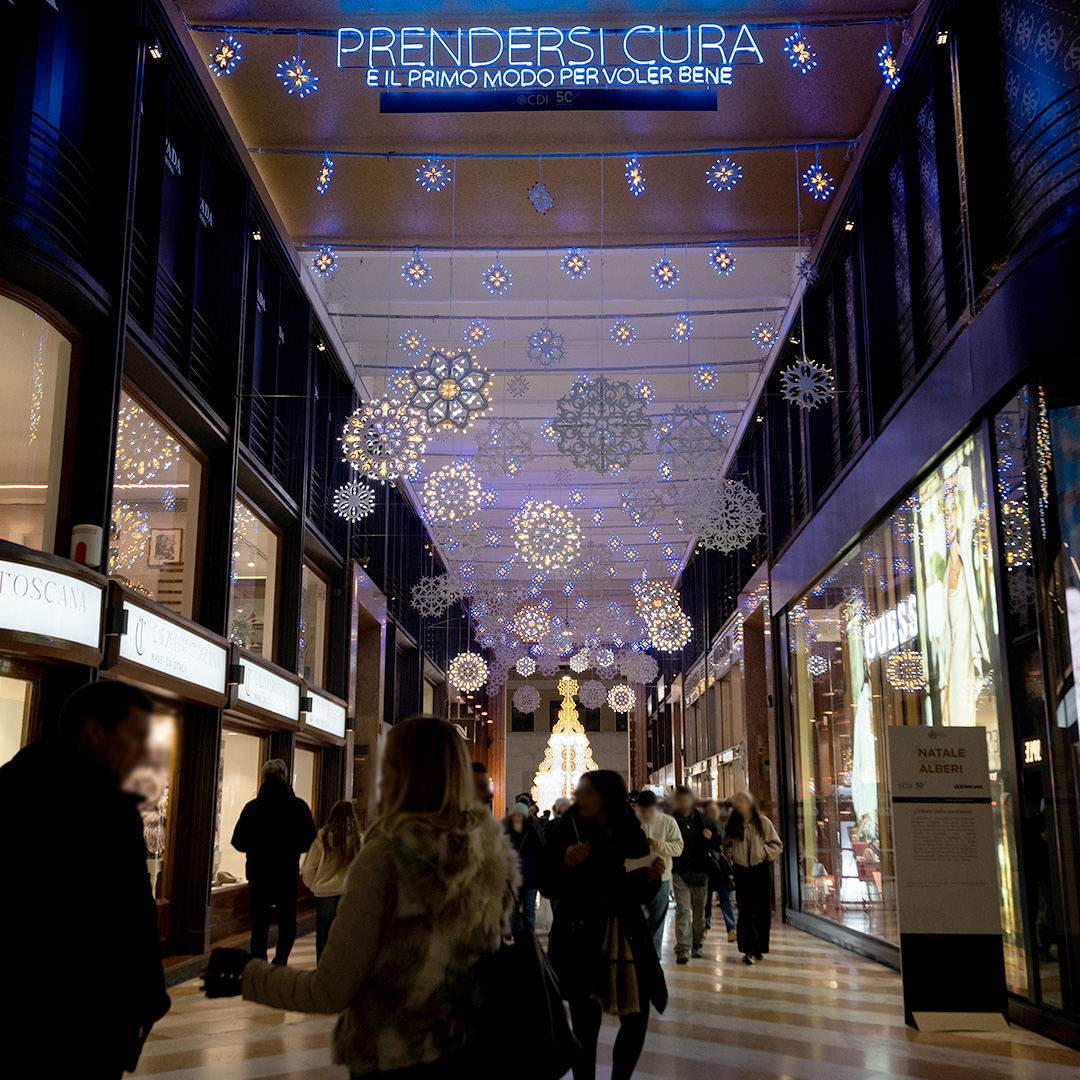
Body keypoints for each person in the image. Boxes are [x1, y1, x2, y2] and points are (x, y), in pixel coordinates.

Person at [204, 716, 516, 1079]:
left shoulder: (388, 858)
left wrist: (247, 974)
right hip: (473, 1054)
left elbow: (330, 990)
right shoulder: (492, 857)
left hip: (397, 1057)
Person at [0, 680, 170, 1078]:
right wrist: (148, 1000)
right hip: (87, 1017)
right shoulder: (106, 807)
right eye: (137, 736)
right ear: (95, 730)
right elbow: (128, 916)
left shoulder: (9, 785)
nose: (144, 752)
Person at [542, 770, 667, 1080]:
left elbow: (638, 887)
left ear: (607, 797)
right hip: (580, 935)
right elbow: (547, 884)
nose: (580, 797)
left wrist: (650, 878)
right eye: (580, 792)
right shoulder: (565, 830)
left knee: (637, 1018)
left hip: (626, 933)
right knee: (585, 1024)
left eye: (588, 792)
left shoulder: (630, 829)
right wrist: (565, 864)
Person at [231, 758, 317, 964]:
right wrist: (292, 848)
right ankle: (280, 961)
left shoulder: (252, 808)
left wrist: (255, 849)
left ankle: (259, 961)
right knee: (287, 919)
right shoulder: (298, 807)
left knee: (259, 921)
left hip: (258, 870)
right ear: (285, 777)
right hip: (286, 870)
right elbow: (310, 840)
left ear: (264, 777)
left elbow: (238, 841)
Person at [725, 791, 783, 965]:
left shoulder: (763, 823)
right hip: (741, 870)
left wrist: (763, 853)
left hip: (760, 869)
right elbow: (726, 845)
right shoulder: (734, 825)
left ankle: (759, 947)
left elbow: (777, 845)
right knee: (745, 909)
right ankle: (748, 949)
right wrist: (732, 854)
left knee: (761, 909)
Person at [302, 800, 363, 960]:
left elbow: (309, 867)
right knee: (346, 933)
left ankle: (323, 971)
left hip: (325, 892)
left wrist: (312, 885)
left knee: (323, 934)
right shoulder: (359, 839)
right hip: (348, 891)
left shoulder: (323, 836)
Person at [670, 786, 721, 963]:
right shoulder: (672, 820)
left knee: (698, 915)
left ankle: (697, 942)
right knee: (683, 911)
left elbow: (718, 841)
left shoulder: (704, 820)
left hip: (700, 872)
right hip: (680, 871)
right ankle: (683, 948)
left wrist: (710, 836)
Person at [635, 789, 684, 956]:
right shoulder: (632, 824)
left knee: (657, 920)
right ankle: (639, 955)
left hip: (662, 879)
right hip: (638, 880)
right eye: (642, 811)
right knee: (639, 918)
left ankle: (653, 958)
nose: (646, 814)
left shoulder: (668, 822)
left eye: (649, 811)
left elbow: (678, 848)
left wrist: (660, 846)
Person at [504, 800, 545, 935]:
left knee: (524, 910)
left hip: (526, 878)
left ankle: (527, 937)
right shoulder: (511, 832)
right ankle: (522, 936)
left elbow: (540, 853)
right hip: (518, 878)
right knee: (517, 910)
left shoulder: (529, 832)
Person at [704, 799, 737, 942]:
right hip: (709, 865)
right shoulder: (704, 825)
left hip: (718, 865)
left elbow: (725, 843)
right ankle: (707, 926)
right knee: (711, 898)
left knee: (724, 897)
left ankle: (730, 928)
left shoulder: (721, 825)